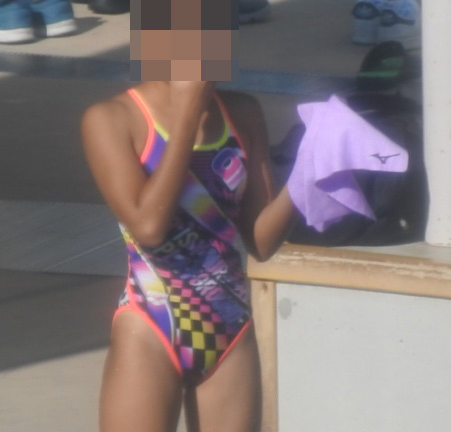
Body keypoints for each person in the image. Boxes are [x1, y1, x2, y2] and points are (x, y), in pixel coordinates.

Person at [80, 80, 295, 432]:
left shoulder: (242, 112)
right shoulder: (112, 118)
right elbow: (148, 227)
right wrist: (187, 115)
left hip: (229, 329)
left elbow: (261, 241)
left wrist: (309, 175)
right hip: (150, 326)